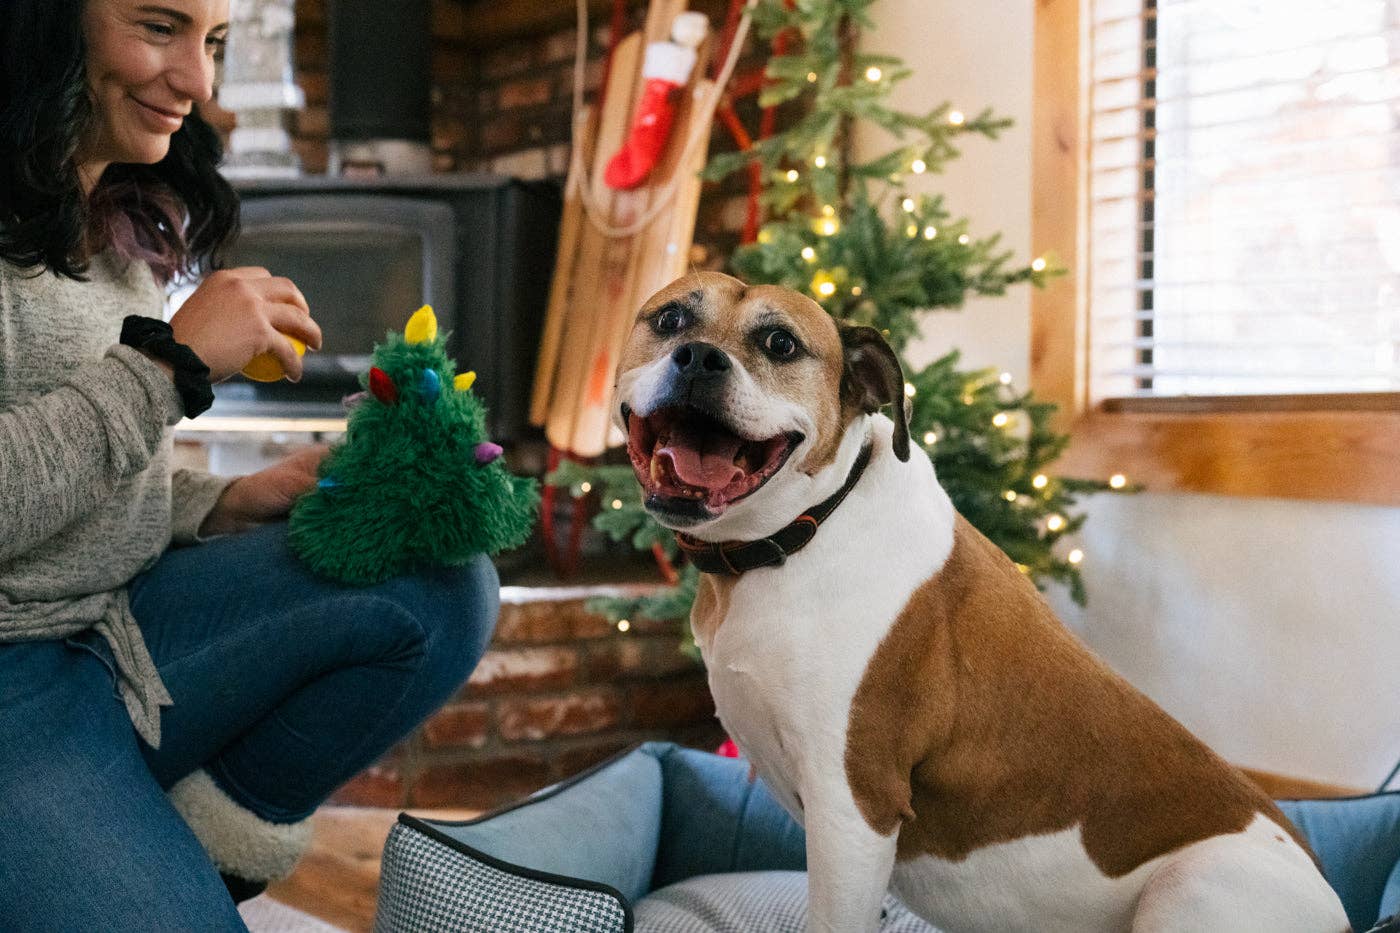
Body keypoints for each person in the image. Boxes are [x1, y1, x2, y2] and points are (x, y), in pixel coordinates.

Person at [0, 1, 499, 929]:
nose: (200, 86)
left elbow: (79, 462)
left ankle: (179, 847)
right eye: (158, 28)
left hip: (122, 630)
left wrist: (222, 503)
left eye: (215, 43)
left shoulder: (114, 205)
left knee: (438, 580)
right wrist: (170, 367)